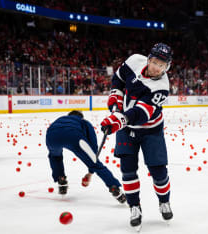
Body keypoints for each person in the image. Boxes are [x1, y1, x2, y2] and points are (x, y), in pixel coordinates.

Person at [100, 43, 173, 230]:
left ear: (167, 67)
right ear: (149, 59)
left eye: (162, 65)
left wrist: (119, 119)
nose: (157, 67)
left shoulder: (162, 88)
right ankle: (134, 207)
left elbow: (141, 114)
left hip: (151, 130)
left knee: (158, 172)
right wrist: (115, 97)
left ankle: (164, 201)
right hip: (126, 129)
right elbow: (118, 79)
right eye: (155, 62)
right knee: (128, 170)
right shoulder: (134, 60)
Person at [46, 110, 126, 204]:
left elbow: (50, 129)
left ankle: (61, 179)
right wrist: (91, 169)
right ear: (81, 117)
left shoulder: (60, 119)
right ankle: (114, 187)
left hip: (51, 137)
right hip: (73, 136)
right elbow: (93, 145)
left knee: (55, 157)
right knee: (96, 164)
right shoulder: (84, 122)